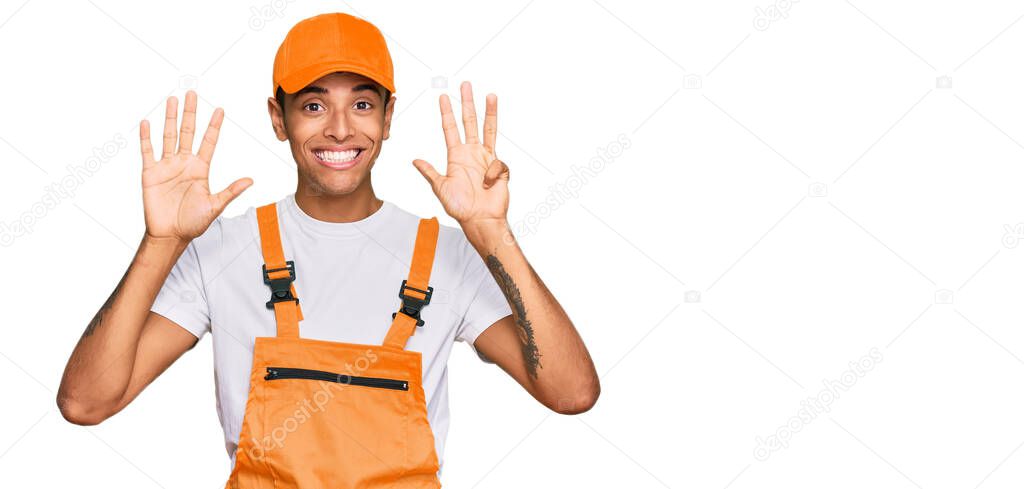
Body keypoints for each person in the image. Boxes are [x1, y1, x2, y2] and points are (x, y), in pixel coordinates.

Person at [57, 12, 598, 487]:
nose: (340, 129)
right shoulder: (222, 249)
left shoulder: (448, 256)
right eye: (314, 105)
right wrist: (162, 242)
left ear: (388, 118)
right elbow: (86, 402)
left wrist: (492, 233)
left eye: (362, 103)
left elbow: (572, 393)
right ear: (278, 118)